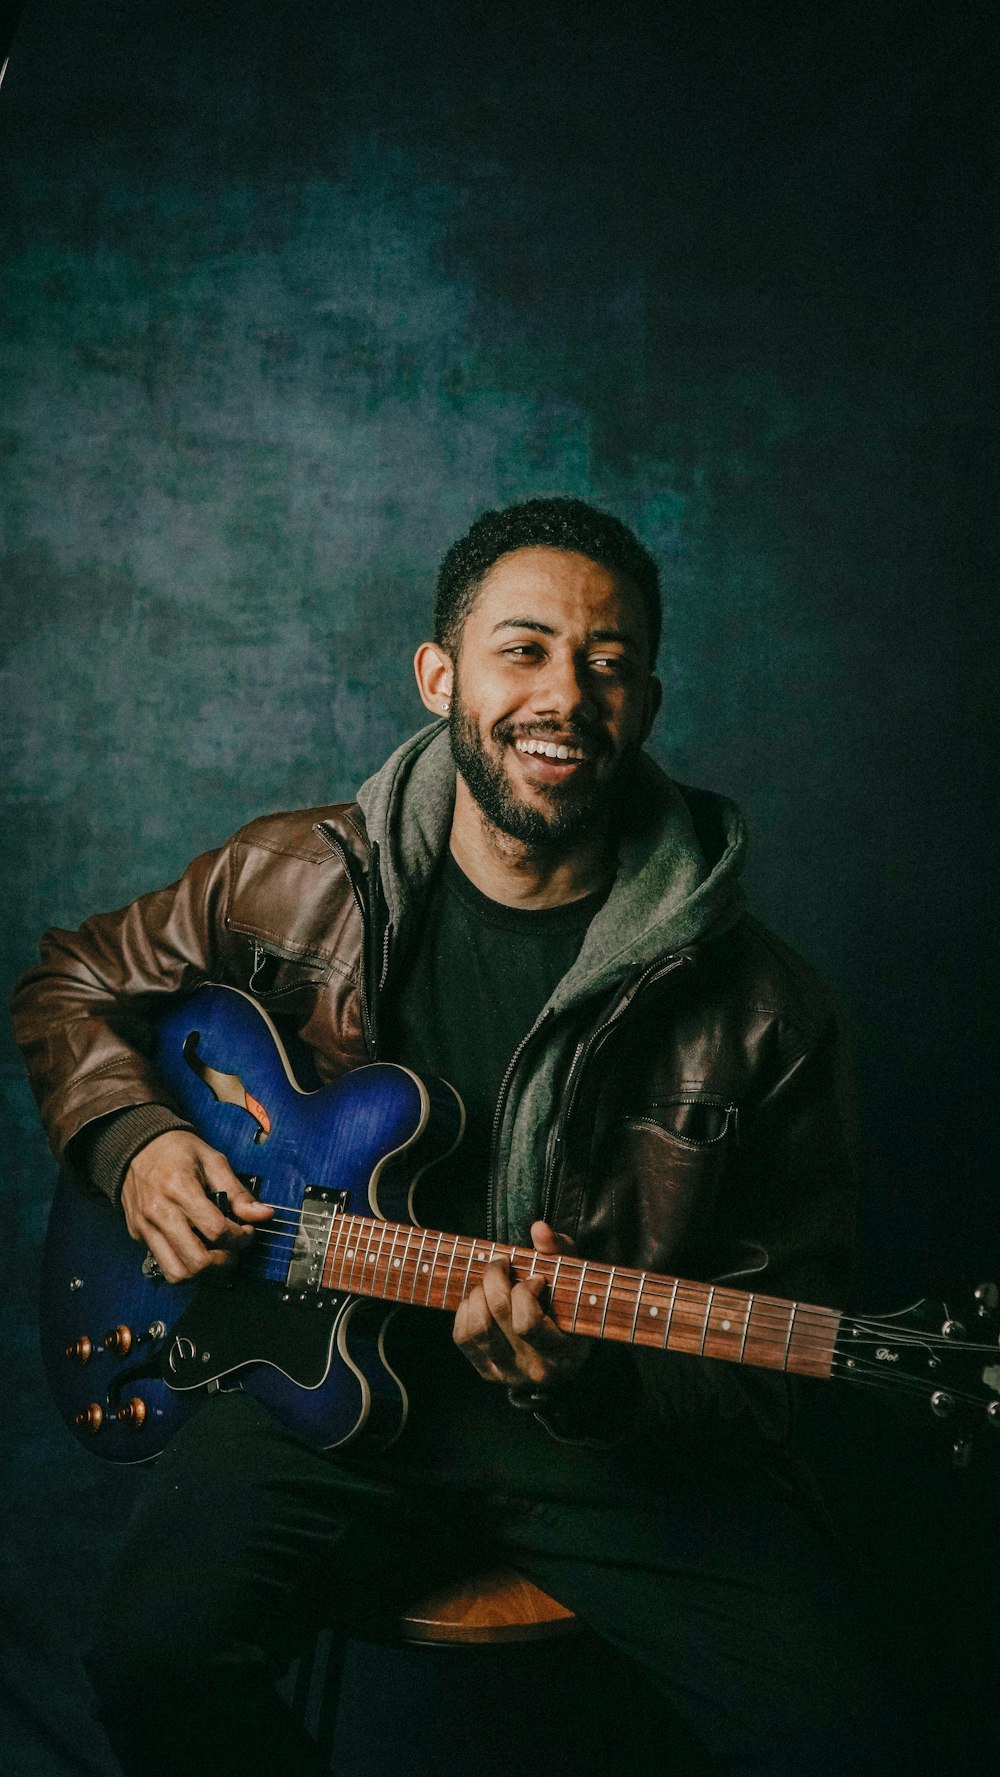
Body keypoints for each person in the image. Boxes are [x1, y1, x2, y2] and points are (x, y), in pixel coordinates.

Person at [12, 497, 875, 1776]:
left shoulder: (762, 1010)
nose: (564, 696)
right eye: (522, 649)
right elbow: (68, 982)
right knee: (155, 1664)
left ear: (643, 701)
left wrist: (583, 1378)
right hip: (310, 1377)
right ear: (440, 676)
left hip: (601, 1435)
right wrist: (132, 1139)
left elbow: (776, 1336)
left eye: (607, 662)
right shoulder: (286, 873)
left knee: (853, 1732)